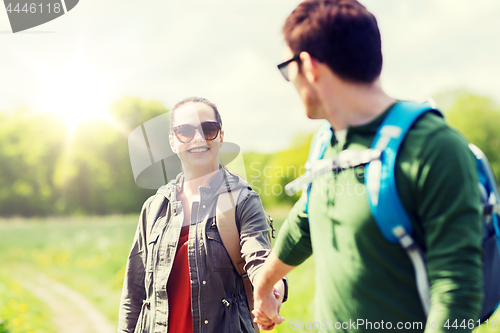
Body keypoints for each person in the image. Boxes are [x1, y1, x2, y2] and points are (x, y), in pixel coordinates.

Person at [252, 1, 483, 332]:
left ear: (309, 66)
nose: (291, 81)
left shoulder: (433, 147)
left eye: (288, 68)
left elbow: (457, 293)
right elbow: (305, 219)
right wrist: (264, 284)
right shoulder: (326, 143)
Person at [117, 97, 285, 333]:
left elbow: (260, 259)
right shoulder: (154, 207)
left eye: (208, 129)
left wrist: (271, 289)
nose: (198, 138)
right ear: (173, 142)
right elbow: (134, 293)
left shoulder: (243, 201)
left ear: (221, 136)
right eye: (185, 131)